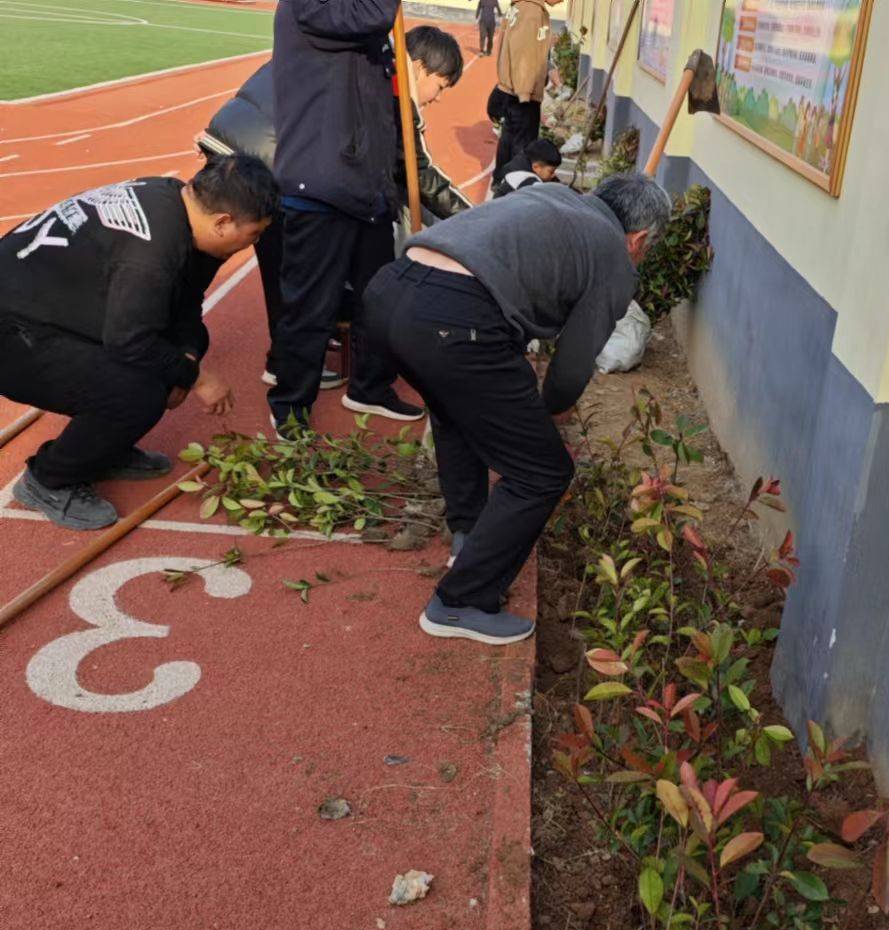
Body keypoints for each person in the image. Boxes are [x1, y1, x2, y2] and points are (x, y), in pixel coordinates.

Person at [364, 173, 670, 645]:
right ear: (640, 238)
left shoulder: (554, 198)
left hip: (389, 290)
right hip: (451, 317)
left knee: (455, 410)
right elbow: (572, 364)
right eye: (646, 251)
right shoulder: (613, 252)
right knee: (542, 472)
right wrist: (550, 412)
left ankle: (469, 534)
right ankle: (461, 601)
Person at [0, 156, 276, 532]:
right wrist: (198, 379)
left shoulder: (185, 210)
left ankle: (102, 449)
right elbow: (130, 340)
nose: (254, 243)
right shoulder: (151, 253)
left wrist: (189, 359)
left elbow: (186, 306)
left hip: (44, 306)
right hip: (13, 333)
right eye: (255, 234)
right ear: (223, 222)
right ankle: (50, 479)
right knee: (136, 392)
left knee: (175, 355)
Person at [198, 28, 468, 392]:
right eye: (440, 86)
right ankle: (284, 365)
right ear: (418, 67)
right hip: (273, 160)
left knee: (265, 259)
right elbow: (415, 170)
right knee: (297, 264)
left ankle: (282, 354)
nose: (435, 99)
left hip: (231, 135)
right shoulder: (389, 80)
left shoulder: (355, 49)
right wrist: (471, 217)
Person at [268, 0, 427, 432]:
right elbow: (367, 14)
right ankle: (290, 408)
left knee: (377, 300)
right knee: (310, 306)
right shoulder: (313, 7)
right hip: (321, 183)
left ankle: (370, 387)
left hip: (365, 184)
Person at [493, 0, 554, 176]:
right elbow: (523, 53)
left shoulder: (520, 7)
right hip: (523, 91)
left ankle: (501, 180)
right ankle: (513, 186)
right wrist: (525, 92)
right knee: (522, 146)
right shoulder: (532, 12)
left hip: (513, 88)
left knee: (509, 138)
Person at [492, 137, 563, 196]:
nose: (553, 175)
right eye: (551, 172)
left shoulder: (523, 160)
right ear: (536, 167)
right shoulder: (529, 181)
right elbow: (544, 196)